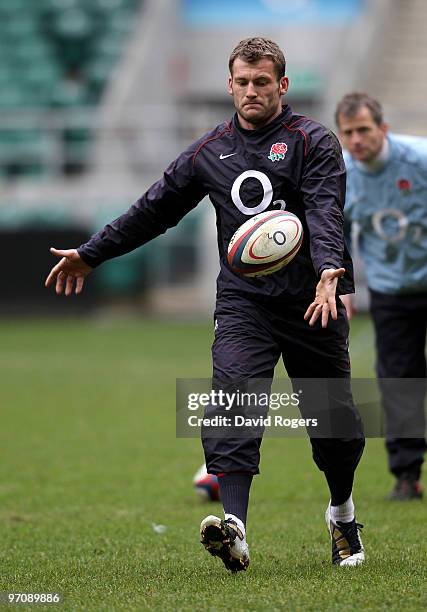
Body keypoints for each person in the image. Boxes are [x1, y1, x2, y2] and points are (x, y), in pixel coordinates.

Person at [45, 38, 365, 571]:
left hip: (314, 300)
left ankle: (342, 514)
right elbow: (153, 209)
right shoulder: (208, 151)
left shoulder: (314, 142)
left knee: (336, 428)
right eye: (242, 82)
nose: (251, 91)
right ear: (230, 85)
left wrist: (330, 267)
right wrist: (91, 254)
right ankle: (235, 527)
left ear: (282, 86)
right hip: (245, 303)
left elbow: (325, 209)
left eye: (262, 82)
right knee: (233, 400)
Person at [336, 92, 427, 500]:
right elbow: (334, 231)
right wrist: (342, 284)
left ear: (383, 129)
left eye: (364, 130)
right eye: (348, 132)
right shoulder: (340, 173)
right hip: (391, 291)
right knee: (398, 382)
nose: (356, 140)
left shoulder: (419, 160)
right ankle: (407, 474)